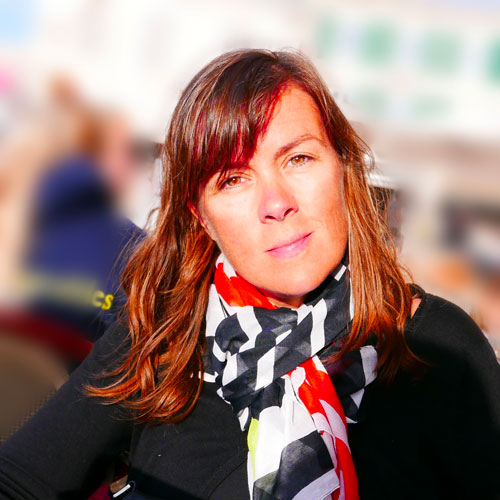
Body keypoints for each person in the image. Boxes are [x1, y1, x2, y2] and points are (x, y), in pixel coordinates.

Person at [0, 49, 499, 500]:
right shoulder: (164, 330)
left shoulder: (438, 350)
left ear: (343, 170)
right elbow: (22, 478)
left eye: (298, 158)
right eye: (233, 179)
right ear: (201, 216)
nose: (276, 203)